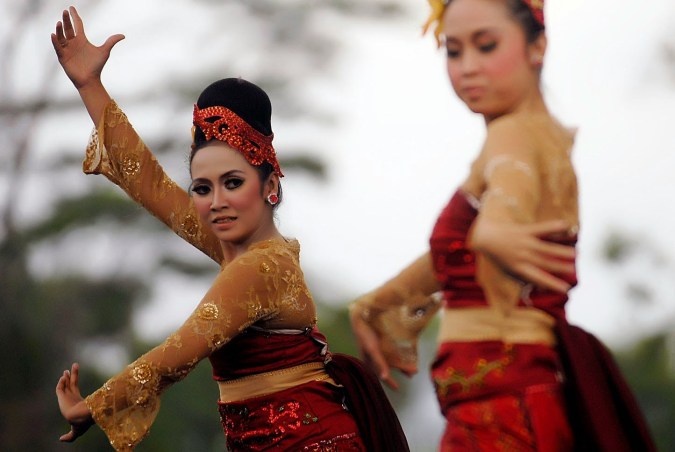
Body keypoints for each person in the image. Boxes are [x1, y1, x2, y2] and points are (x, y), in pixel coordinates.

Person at [51, 7, 409, 451]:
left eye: (233, 183)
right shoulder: (236, 246)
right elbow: (148, 181)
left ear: (270, 185)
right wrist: (90, 85)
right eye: (203, 187)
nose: (216, 201)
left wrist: (91, 407)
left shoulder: (260, 268)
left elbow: (175, 355)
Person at [349, 0, 657, 450]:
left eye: (487, 45)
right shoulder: (539, 133)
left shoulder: (511, 135)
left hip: (504, 408)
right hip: (511, 400)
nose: (468, 67)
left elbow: (502, 208)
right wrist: (381, 303)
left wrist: (493, 228)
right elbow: (461, 249)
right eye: (453, 51)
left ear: (538, 46)